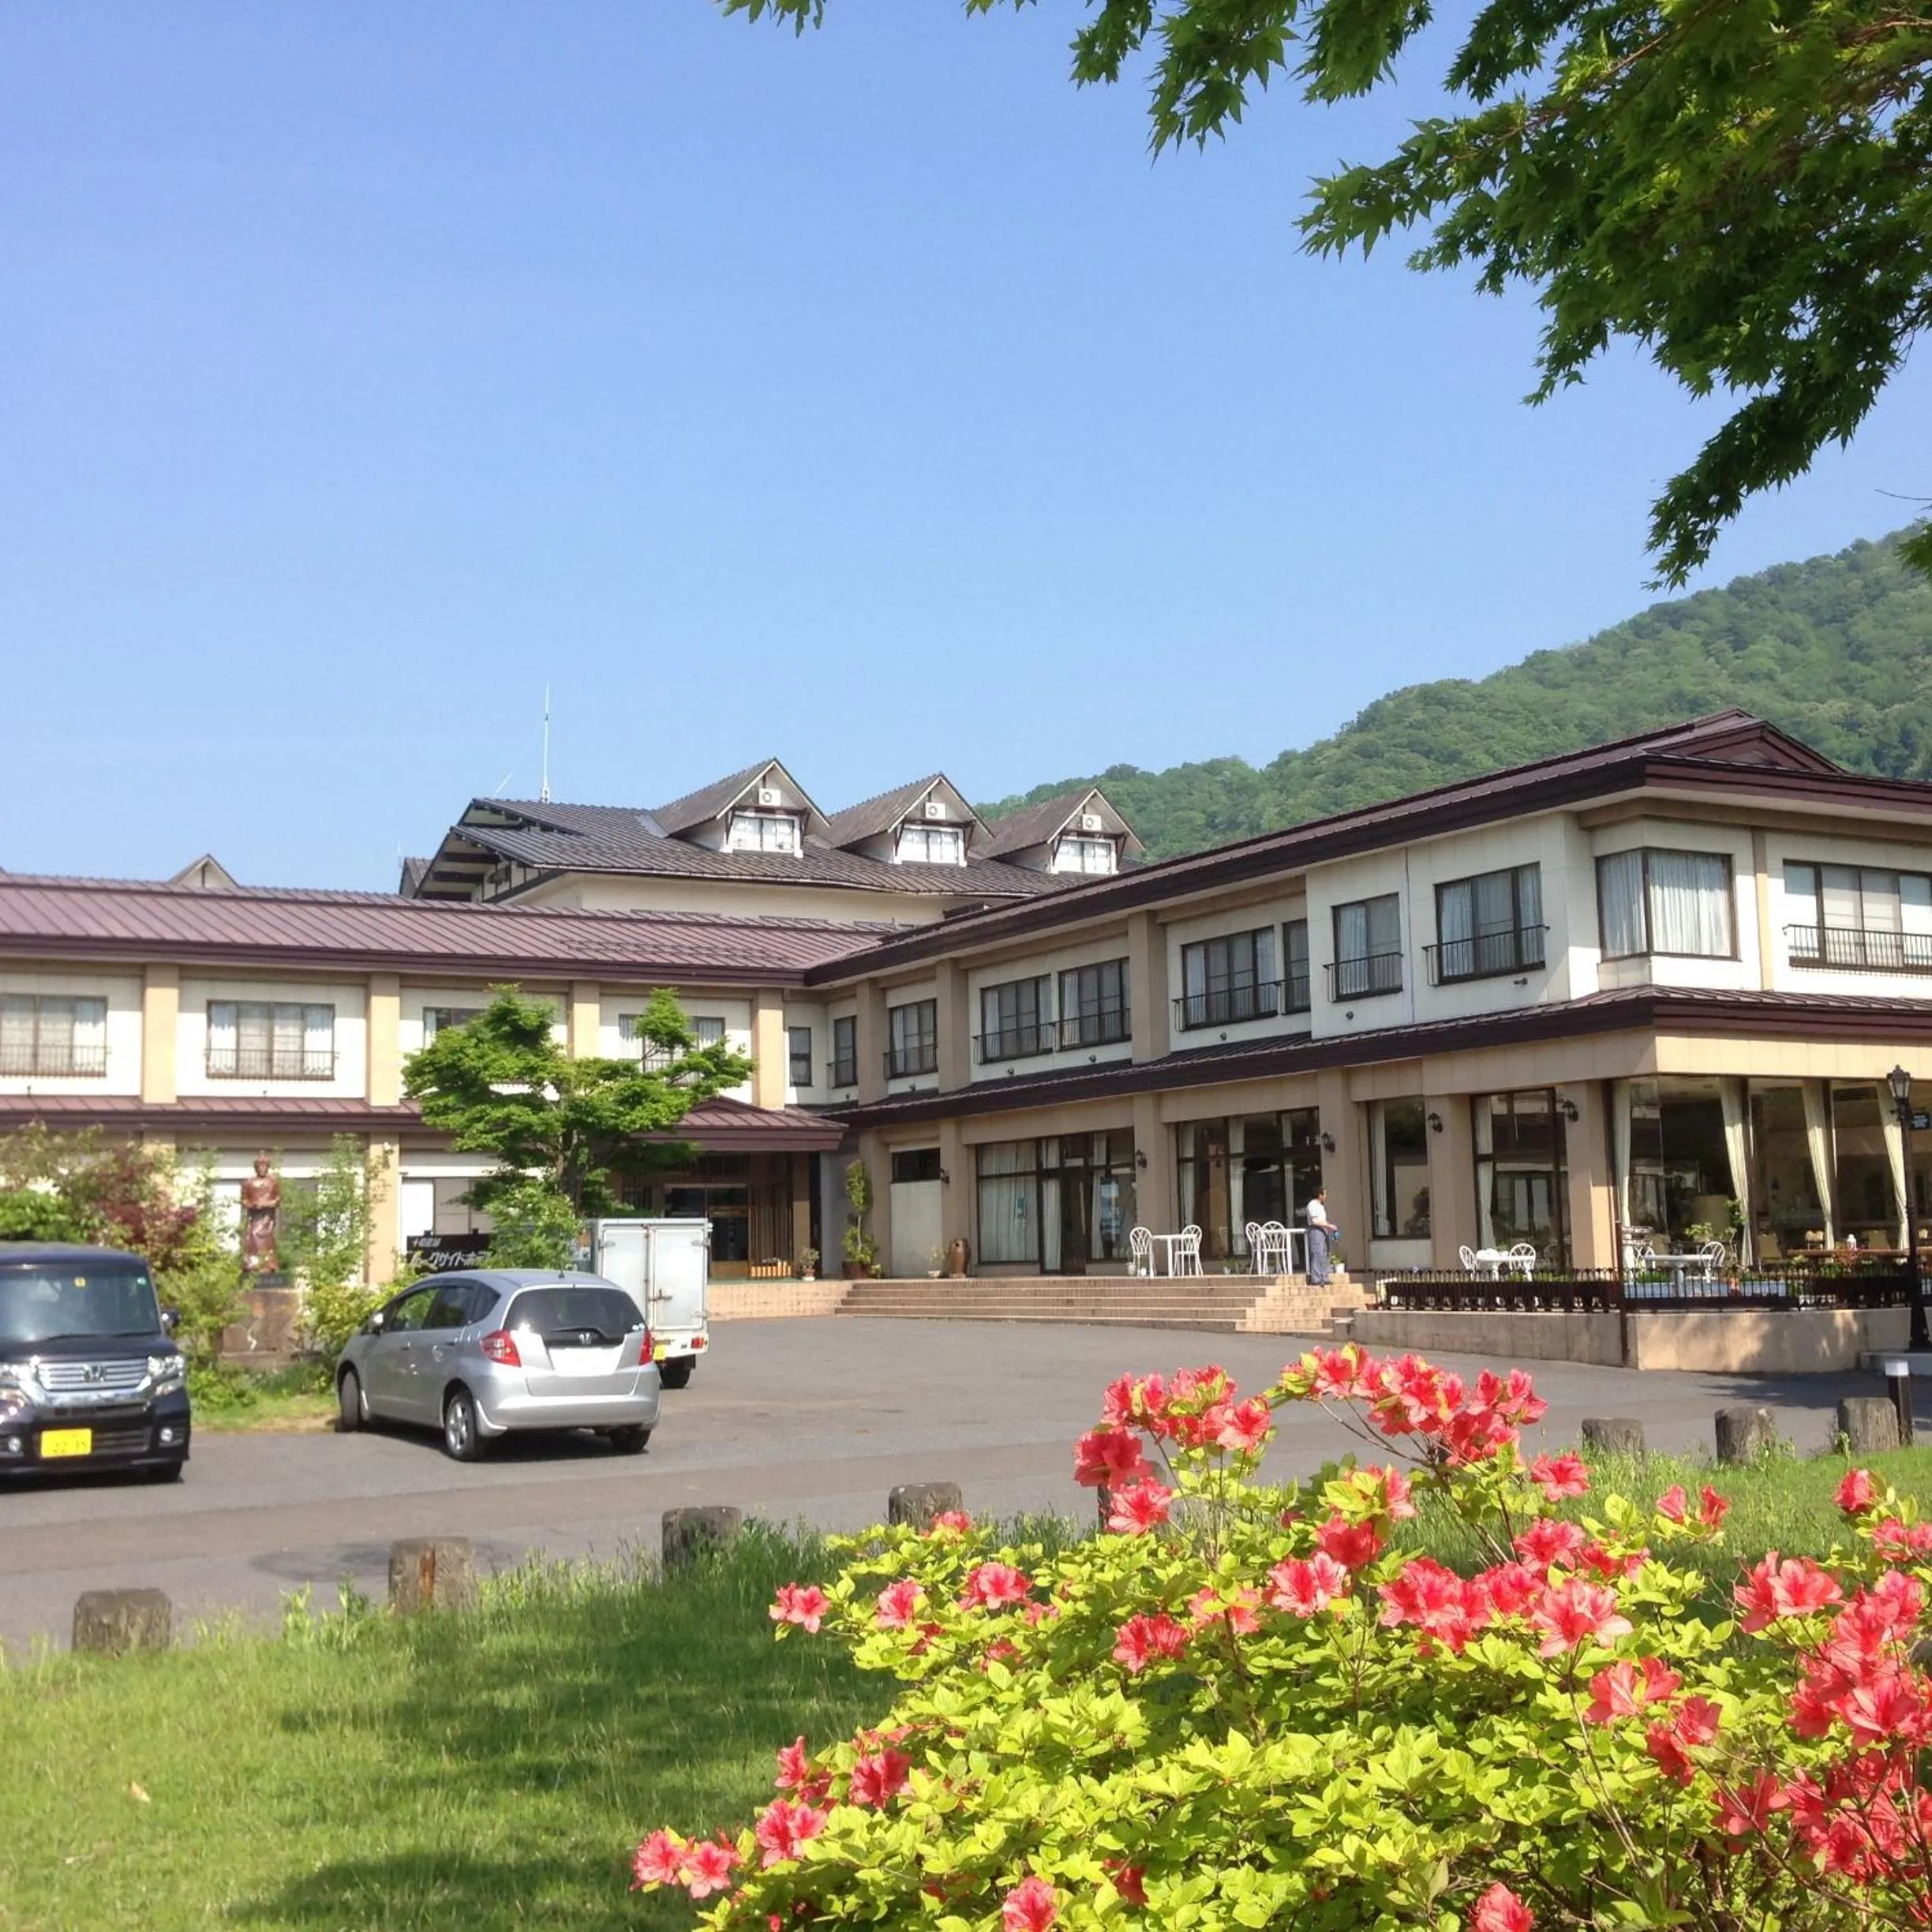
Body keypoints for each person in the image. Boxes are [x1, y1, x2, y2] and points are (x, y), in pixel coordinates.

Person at [1305, 1189, 1341, 1286]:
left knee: (1324, 1253)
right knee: (1317, 1253)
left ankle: (1325, 1277)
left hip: (1323, 1230)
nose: (1326, 1196)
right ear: (1319, 1195)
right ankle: (1316, 1278)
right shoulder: (1313, 1205)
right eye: (1324, 1194)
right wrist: (1329, 1226)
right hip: (1316, 1230)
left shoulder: (1321, 1206)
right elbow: (1315, 1221)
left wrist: (1330, 1227)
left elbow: (1322, 1220)